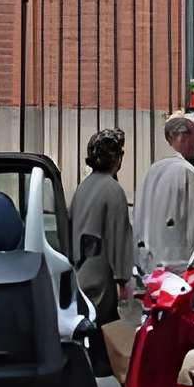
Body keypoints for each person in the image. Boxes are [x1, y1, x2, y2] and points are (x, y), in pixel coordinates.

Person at [131, 112, 194, 278]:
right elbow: (193, 229)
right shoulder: (188, 172)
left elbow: (137, 217)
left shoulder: (151, 171)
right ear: (182, 137)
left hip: (149, 266)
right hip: (179, 267)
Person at [71, 127, 133, 332]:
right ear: (117, 158)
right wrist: (123, 280)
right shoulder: (113, 190)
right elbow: (119, 237)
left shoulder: (83, 186)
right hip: (101, 276)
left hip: (80, 271)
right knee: (105, 334)